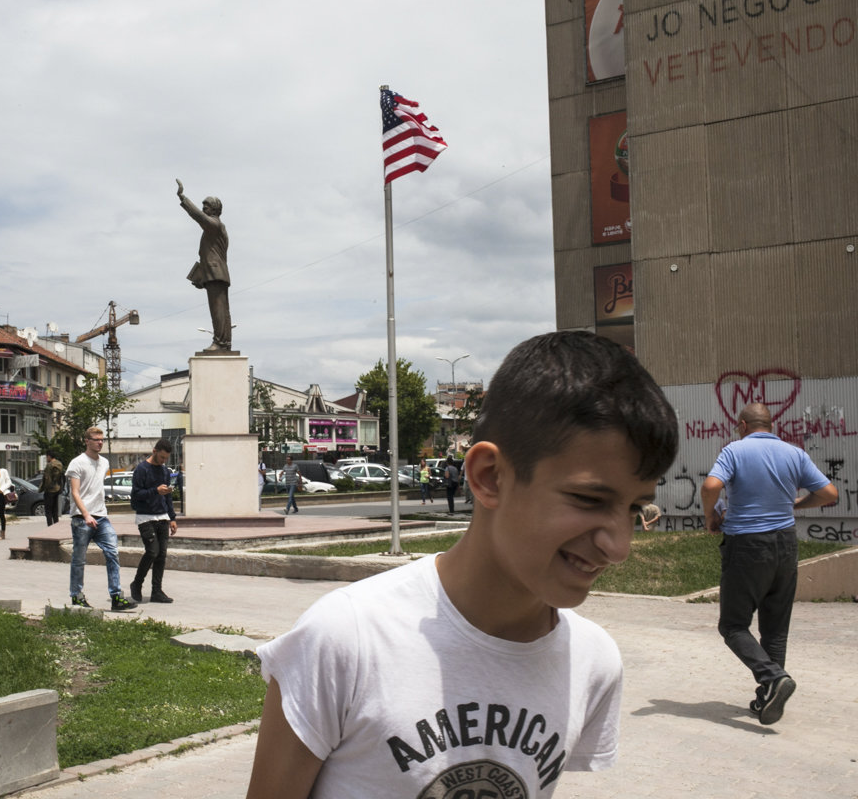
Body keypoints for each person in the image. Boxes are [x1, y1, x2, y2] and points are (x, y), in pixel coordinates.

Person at [246, 331, 679, 799]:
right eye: (589, 499)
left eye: (635, 509)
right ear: (490, 477)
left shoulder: (593, 661)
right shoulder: (346, 639)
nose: (618, 546)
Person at [701, 402, 838, 726]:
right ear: (770, 424)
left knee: (732, 626)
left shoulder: (734, 451)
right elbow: (829, 493)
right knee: (774, 631)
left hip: (747, 546)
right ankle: (768, 696)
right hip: (786, 544)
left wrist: (711, 516)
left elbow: (710, 486)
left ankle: (773, 679)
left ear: (744, 425)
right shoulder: (794, 454)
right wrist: (798, 504)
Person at [67, 427, 138, 611]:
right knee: (79, 559)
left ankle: (116, 597)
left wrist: (96, 514)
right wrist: (86, 514)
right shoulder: (77, 463)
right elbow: (75, 492)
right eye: (95, 439)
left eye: (101, 439)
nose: (99, 442)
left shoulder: (105, 462)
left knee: (112, 552)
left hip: (101, 517)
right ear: (87, 441)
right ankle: (77, 596)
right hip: (82, 518)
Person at [177, 178, 232, 351]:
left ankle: (221, 343)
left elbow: (198, 217)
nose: (203, 208)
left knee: (219, 310)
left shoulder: (215, 225)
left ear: (215, 210)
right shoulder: (214, 228)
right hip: (212, 275)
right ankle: (222, 341)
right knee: (218, 310)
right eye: (203, 205)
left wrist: (183, 198)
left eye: (206, 206)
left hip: (217, 275)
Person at [129, 438, 179, 604]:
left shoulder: (164, 471)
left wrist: (172, 518)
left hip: (162, 517)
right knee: (152, 551)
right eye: (161, 457)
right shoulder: (141, 470)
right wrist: (155, 491)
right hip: (145, 517)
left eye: (166, 458)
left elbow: (168, 497)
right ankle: (136, 584)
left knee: (161, 555)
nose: (163, 461)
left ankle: (156, 591)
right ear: (154, 452)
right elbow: (135, 497)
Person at [41, 451, 65, 526]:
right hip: (57, 489)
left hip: (50, 490)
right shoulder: (59, 464)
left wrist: (45, 487)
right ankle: (56, 527)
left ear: (49, 456)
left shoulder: (50, 465)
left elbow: (47, 478)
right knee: (55, 511)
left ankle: (50, 527)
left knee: (48, 511)